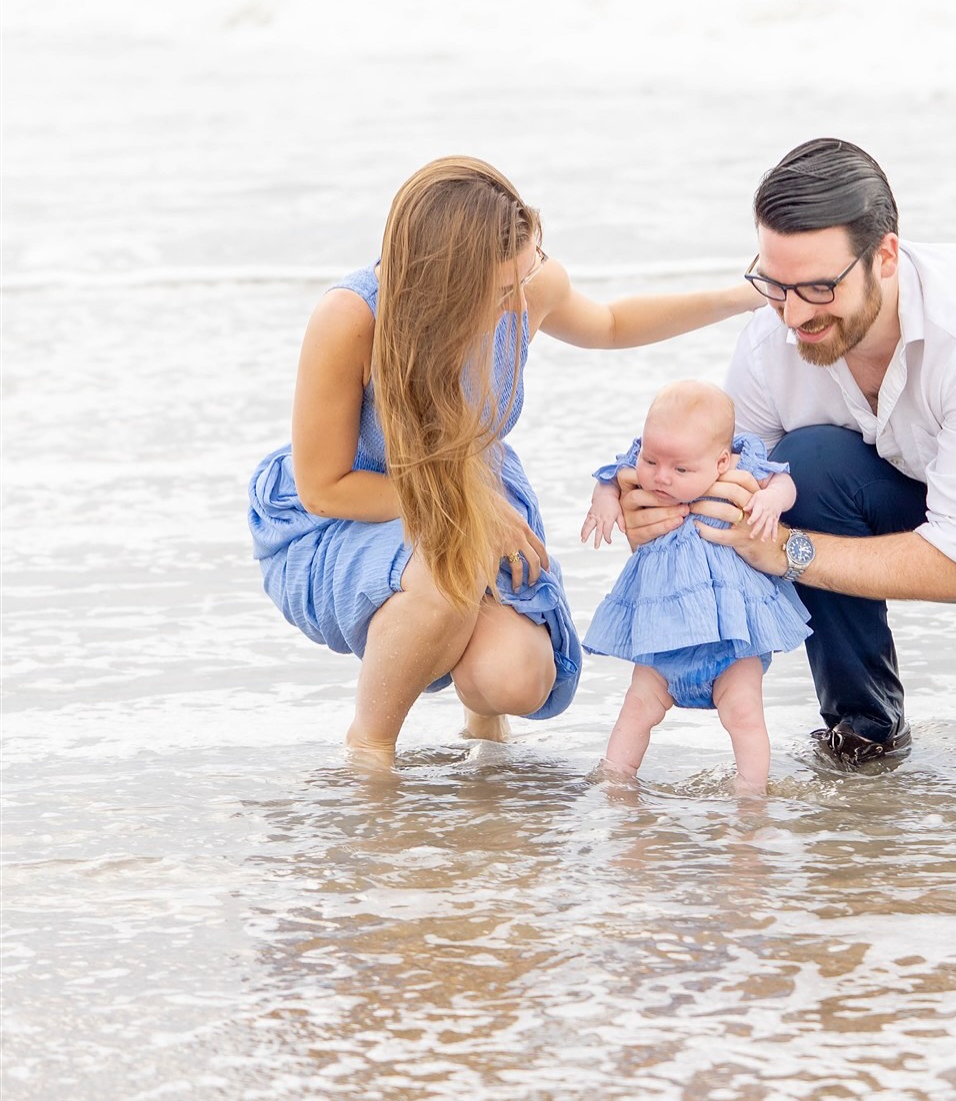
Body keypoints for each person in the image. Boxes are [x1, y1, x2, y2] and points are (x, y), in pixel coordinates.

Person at [620, 138, 956, 764]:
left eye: (818, 287)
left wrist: (784, 549)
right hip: (909, 479)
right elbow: (728, 484)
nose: (792, 314)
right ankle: (864, 727)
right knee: (801, 467)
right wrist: (660, 509)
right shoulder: (771, 337)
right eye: (774, 284)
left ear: (886, 256)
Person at [248, 157, 760, 766]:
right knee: (448, 567)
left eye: (524, 277)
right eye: (497, 292)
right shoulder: (352, 318)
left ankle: (481, 720)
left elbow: (613, 323)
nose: (518, 303)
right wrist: (469, 515)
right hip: (349, 515)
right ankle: (371, 747)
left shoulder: (526, 284)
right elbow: (325, 487)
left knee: (516, 677)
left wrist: (742, 297)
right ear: (441, 284)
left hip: (475, 496)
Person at [581, 380, 810, 794]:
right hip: (664, 639)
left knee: (744, 717)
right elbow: (611, 476)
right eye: (651, 460)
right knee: (636, 710)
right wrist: (605, 498)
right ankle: (614, 782)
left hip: (731, 643)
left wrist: (771, 501)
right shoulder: (644, 467)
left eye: (680, 469)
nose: (660, 477)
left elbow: (784, 482)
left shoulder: (744, 467)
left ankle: (751, 793)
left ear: (722, 462)